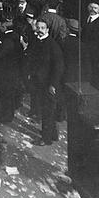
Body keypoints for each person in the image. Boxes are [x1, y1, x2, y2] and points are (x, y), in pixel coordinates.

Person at [28, 18, 64, 146]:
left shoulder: (52, 45)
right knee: (47, 110)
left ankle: (45, 139)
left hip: (48, 85)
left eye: (42, 28)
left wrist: (53, 85)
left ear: (47, 29)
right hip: (39, 81)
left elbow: (58, 67)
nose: (39, 30)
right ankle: (52, 135)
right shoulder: (37, 41)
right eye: (38, 27)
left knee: (47, 111)